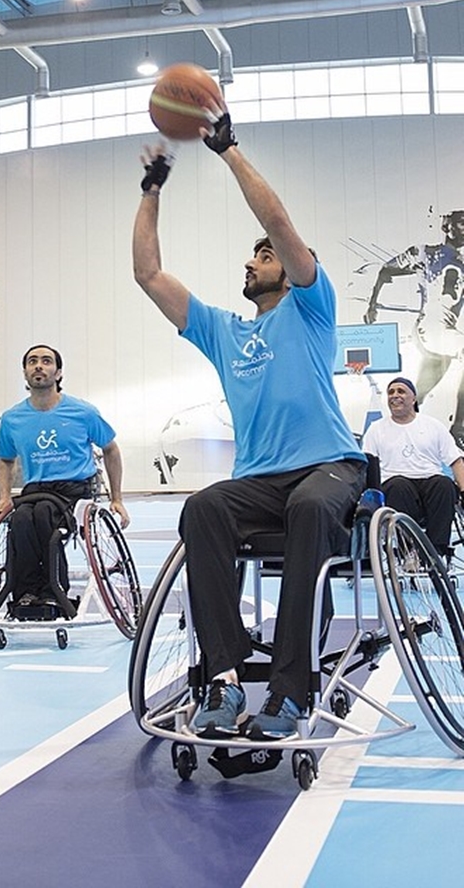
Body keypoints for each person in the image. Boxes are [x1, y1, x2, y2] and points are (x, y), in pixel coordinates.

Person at [131, 115, 366, 740]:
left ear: (290, 269)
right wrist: (151, 191)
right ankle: (224, 678)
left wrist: (228, 151)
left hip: (328, 466)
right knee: (204, 506)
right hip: (260, 479)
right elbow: (148, 275)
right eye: (254, 254)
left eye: (263, 255)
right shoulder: (223, 331)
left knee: (314, 509)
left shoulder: (312, 309)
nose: (253, 259)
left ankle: (291, 691)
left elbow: (281, 225)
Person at [0, 344, 130, 606]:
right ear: (24, 373)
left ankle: (52, 591)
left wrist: (117, 499)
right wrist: (3, 497)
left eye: (46, 361)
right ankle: (25, 593)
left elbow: (111, 450)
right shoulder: (12, 419)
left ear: (58, 373)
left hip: (74, 490)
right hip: (34, 490)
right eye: (32, 361)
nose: (38, 366)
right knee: (21, 519)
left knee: (46, 513)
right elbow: (4, 461)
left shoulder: (83, 412)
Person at [364, 210, 464, 447]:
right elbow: (385, 269)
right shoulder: (425, 252)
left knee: (419, 393)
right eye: (462, 223)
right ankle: (459, 427)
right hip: (431, 327)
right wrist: (372, 305)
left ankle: (394, 435)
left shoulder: (461, 262)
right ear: (447, 227)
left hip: (441, 332)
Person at [362, 376, 464, 556]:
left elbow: (456, 460)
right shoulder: (376, 429)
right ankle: (408, 552)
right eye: (391, 392)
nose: (394, 395)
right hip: (395, 488)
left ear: (414, 399)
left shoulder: (433, 426)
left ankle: (436, 553)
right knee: (399, 485)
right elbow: (368, 466)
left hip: (430, 486)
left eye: (401, 391)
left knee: (444, 484)